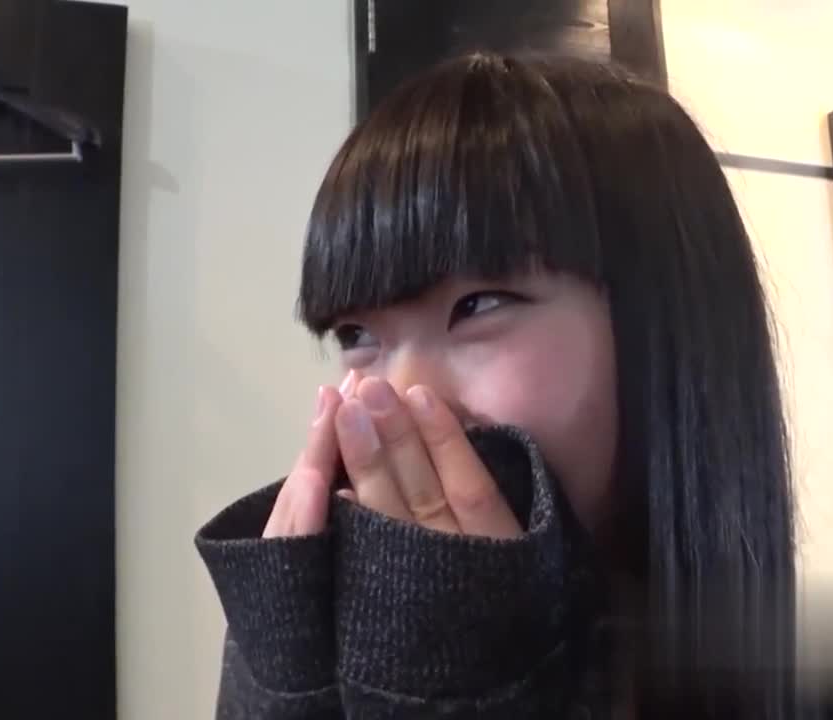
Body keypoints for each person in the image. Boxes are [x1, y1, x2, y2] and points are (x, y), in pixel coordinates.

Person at [195, 52, 795, 719]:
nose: (389, 397)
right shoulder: (317, 608)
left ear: (668, 327)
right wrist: (282, 678)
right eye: (355, 334)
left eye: (477, 306)